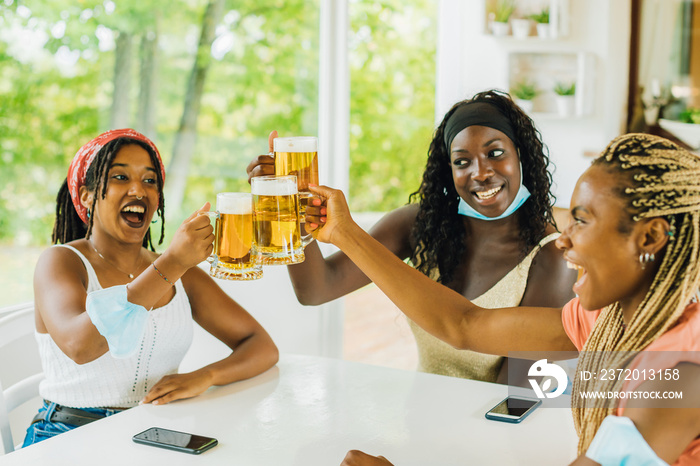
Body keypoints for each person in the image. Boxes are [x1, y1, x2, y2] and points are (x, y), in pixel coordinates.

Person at [308, 133, 700, 465]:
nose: (563, 239)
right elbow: (463, 325)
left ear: (649, 238)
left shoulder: (681, 376)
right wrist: (344, 234)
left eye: (581, 221)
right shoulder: (605, 322)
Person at [247, 90, 577, 383]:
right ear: (449, 171)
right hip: (419, 418)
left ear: (521, 155)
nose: (480, 172)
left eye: (495, 153)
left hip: (493, 439)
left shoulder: (551, 260)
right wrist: (288, 208)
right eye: (462, 161)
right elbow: (317, 289)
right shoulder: (424, 224)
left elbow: (513, 400)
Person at [23, 129, 279, 447]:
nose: (138, 190)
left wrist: (206, 376)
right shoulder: (61, 261)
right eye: (119, 177)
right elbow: (81, 347)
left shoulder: (183, 275)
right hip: (67, 434)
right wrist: (171, 264)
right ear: (87, 196)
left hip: (151, 433)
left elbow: (262, 347)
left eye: (150, 180)